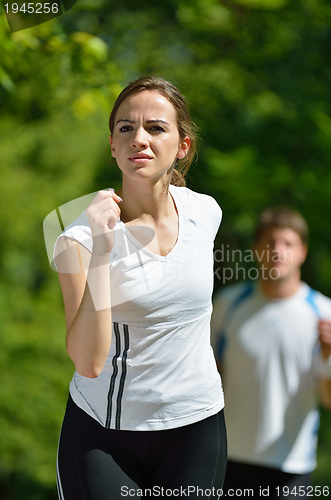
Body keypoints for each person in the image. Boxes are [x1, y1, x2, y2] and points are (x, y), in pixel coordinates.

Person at [53, 76, 227, 500]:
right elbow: (88, 362)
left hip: (197, 426)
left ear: (182, 146)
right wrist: (102, 249)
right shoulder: (77, 238)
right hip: (104, 435)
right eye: (126, 128)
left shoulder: (206, 212)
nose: (140, 139)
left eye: (156, 128)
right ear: (112, 145)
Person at [211, 207, 331, 500]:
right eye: (270, 242)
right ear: (256, 250)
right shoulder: (228, 305)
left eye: (288, 244)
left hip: (291, 466)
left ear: (302, 252)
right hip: (228, 458)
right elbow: (207, 377)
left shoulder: (325, 314)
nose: (278, 251)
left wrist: (329, 358)